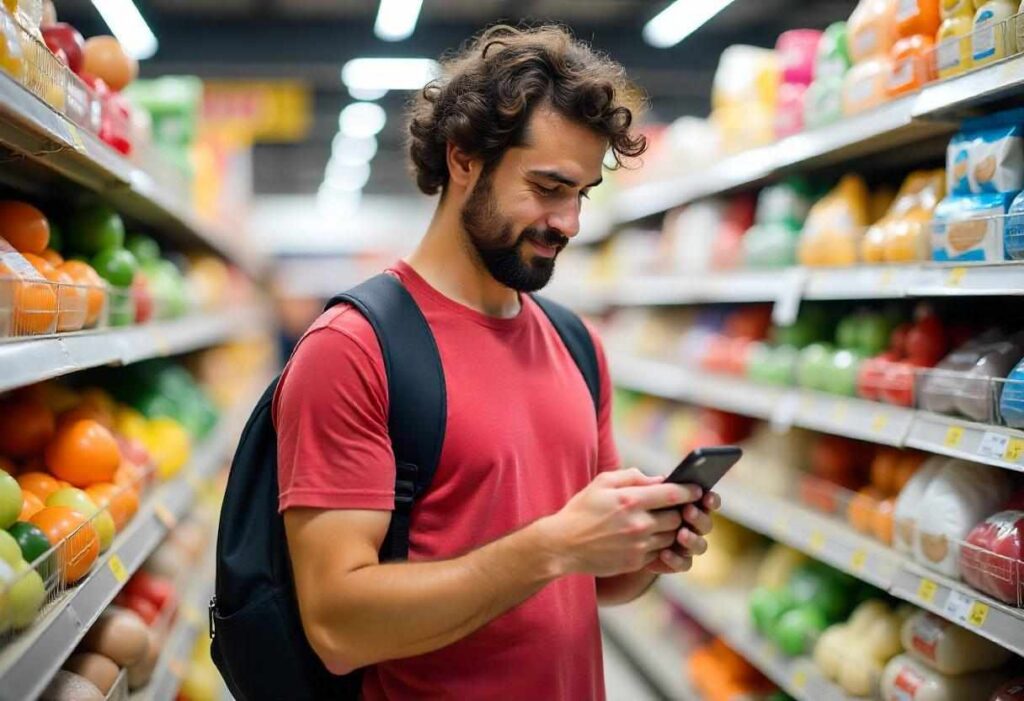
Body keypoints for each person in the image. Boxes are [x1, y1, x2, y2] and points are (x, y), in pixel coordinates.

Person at [275, 23, 721, 700]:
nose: (569, 222)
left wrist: (649, 546)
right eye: (547, 188)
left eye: (582, 194)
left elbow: (597, 582)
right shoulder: (354, 349)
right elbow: (339, 627)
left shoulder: (576, 344)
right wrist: (553, 545)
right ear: (462, 159)